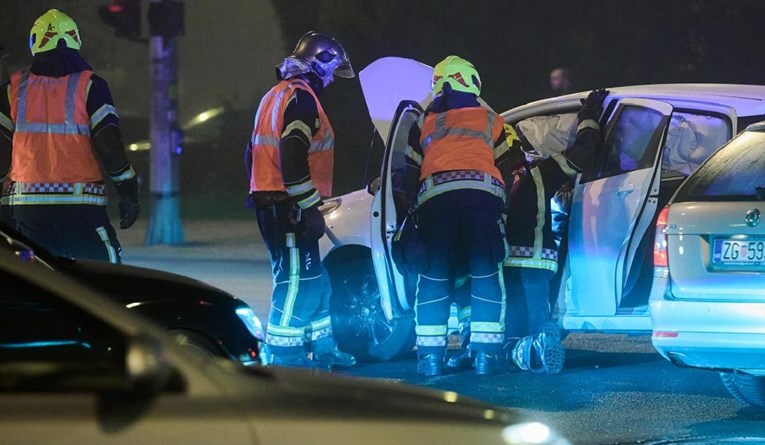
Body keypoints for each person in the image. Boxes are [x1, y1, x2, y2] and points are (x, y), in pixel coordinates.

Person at [397, 55, 514, 376]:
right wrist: (501, 210)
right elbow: (510, 170)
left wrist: (407, 221)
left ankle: (430, 359)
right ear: (472, 82)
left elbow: (406, 176)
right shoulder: (493, 120)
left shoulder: (422, 123)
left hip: (436, 204)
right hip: (482, 202)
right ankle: (484, 357)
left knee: (434, 276)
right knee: (486, 273)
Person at [245, 31, 356, 368]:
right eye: (333, 70)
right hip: (289, 202)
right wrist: (309, 207)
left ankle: (323, 348)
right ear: (320, 63)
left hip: (274, 198)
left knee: (315, 278)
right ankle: (284, 354)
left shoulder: (275, 95)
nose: (332, 80)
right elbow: (292, 155)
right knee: (298, 281)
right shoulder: (302, 99)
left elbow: (251, 154)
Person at [0, 9, 139, 262]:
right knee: (102, 279)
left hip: (28, 213)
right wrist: (128, 190)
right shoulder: (91, 86)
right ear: (75, 40)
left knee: (40, 283)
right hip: (81, 208)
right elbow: (109, 145)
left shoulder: (11, 89)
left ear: (35, 43)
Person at [504, 88, 609, 374]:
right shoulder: (540, 173)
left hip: (503, 264)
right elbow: (584, 150)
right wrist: (589, 116)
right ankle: (539, 344)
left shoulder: (489, 179)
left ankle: (519, 353)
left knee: (512, 321)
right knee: (538, 312)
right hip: (538, 260)